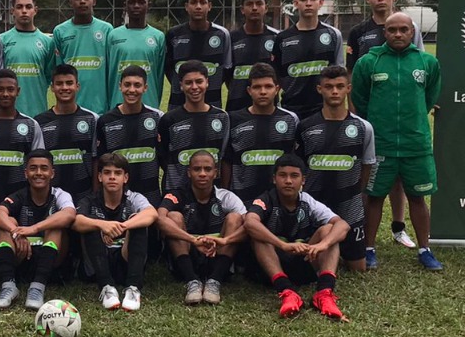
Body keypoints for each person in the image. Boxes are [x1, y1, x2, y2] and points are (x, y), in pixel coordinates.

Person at [351, 10, 444, 272]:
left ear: (412, 32)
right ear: (385, 33)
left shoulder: (427, 62)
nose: (398, 34)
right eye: (392, 30)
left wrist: (413, 119)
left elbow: (429, 97)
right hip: (381, 144)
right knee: (374, 197)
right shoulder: (369, 62)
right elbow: (360, 99)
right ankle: (368, 249)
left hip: (416, 144)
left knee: (418, 197)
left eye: (404, 29)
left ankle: (425, 250)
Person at [346, 0, 426, 252]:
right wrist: (355, 113)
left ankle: (398, 227)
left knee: (399, 176)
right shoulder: (359, 32)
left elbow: (420, 68)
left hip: (402, 119)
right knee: (370, 171)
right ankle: (363, 234)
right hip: (370, 115)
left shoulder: (409, 26)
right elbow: (352, 75)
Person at [245, 153, 349, 320]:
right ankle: (286, 292)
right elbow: (250, 222)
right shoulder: (266, 199)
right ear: (274, 179)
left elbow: (343, 225)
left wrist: (322, 245)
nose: (288, 181)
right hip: (274, 265)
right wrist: (283, 245)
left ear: (303, 180)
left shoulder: (308, 201)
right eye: (283, 175)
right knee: (258, 235)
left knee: (329, 230)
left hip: (304, 261)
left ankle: (324, 293)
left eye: (294, 176)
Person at [295, 66, 374, 273]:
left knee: (358, 268)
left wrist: (357, 193)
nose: (335, 91)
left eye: (340, 86)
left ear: (348, 88)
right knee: (308, 265)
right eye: (329, 87)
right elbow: (298, 167)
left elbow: (367, 165)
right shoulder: (305, 127)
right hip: (316, 205)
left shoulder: (363, 127)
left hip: (349, 206)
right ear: (319, 89)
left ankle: (339, 249)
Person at [0, 150, 77, 311]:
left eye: (44, 168)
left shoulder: (60, 195)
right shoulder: (19, 195)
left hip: (51, 261)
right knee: (7, 223)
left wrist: (34, 228)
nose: (38, 173)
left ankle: (37, 288)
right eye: (33, 168)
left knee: (55, 224)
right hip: (23, 257)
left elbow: (70, 214)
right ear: (25, 173)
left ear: (52, 173)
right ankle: (8, 286)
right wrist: (16, 232)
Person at [158, 150, 247, 306]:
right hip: (188, 256)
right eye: (197, 169)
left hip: (217, 255)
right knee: (173, 217)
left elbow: (250, 225)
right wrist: (192, 240)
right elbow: (159, 218)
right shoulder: (177, 195)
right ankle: (191, 281)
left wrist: (226, 240)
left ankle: (215, 281)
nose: (202, 174)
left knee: (235, 218)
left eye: (207, 169)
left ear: (215, 173)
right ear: (189, 172)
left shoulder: (226, 196)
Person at [73, 153, 157, 311]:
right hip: (97, 265)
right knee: (89, 223)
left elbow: (152, 214)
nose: (112, 177)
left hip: (125, 263)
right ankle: (107, 288)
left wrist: (123, 226)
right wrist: (102, 225)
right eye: (107, 173)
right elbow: (76, 221)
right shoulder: (89, 200)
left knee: (138, 221)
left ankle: (133, 288)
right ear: (100, 177)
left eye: (117, 173)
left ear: (125, 178)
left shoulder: (133, 198)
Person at [221, 63, 298, 206]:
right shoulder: (233, 119)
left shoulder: (290, 120)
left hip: (279, 201)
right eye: (257, 87)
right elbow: (226, 160)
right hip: (242, 200)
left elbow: (296, 159)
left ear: (277, 89)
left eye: (268, 86)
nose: (263, 91)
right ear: (249, 90)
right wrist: (225, 193)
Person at [0, 68, 45, 205]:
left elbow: (38, 164)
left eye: (10, 89)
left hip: (22, 200)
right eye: (0, 89)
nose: (5, 94)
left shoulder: (31, 125)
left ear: (18, 91)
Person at [273, 0, 344, 119]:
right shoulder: (283, 38)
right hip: (292, 109)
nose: (308, 3)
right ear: (296, 3)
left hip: (323, 109)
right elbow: (277, 77)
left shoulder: (333, 35)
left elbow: (339, 74)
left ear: (321, 3)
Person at [157, 60, 230, 195]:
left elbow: (224, 156)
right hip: (177, 192)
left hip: (212, 193)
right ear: (181, 85)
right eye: (188, 82)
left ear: (207, 82)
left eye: (199, 81)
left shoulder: (221, 117)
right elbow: (163, 156)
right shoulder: (169, 119)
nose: (194, 87)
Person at [95, 65, 163, 204]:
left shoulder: (156, 118)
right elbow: (100, 163)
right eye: (127, 85)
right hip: (117, 199)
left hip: (151, 196)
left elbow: (165, 158)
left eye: (137, 85)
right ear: (120, 86)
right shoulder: (106, 121)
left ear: (145, 88)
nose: (132, 90)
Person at [35, 64, 98, 203]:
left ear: (77, 86)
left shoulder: (91, 119)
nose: (64, 88)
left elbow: (96, 160)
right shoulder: (39, 122)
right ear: (52, 87)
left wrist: (95, 195)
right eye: (59, 84)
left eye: (69, 83)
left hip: (85, 196)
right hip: (52, 198)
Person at [165, 0, 233, 110]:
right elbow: (168, 69)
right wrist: (182, 85)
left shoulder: (222, 34)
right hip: (178, 104)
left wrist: (212, 83)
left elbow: (227, 69)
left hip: (212, 103)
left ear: (209, 6)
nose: (198, 6)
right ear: (186, 6)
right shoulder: (173, 34)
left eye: (202, 2)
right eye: (193, 2)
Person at [52, 0, 113, 115]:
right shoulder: (60, 31)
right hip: (70, 109)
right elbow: (58, 71)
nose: (82, 1)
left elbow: (111, 70)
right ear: (70, 2)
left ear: (94, 2)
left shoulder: (106, 29)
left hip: (100, 108)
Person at [0, 0, 56, 119]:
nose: (24, 11)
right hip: (8, 115)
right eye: (19, 7)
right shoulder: (2, 40)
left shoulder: (47, 42)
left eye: (28, 7)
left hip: (38, 113)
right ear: (12, 11)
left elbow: (49, 76)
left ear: (35, 10)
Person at [106, 0, 165, 111]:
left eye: (141, 2)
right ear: (125, 6)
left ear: (149, 6)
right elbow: (108, 72)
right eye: (132, 2)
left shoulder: (158, 37)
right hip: (118, 104)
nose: (136, 6)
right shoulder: (113, 35)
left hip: (148, 104)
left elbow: (159, 76)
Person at [226, 0, 281, 112]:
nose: (254, 8)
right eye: (249, 4)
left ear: (266, 8)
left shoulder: (276, 37)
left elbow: (281, 73)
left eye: (259, 3)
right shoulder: (231, 38)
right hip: (237, 107)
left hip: (269, 109)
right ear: (242, 9)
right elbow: (227, 75)